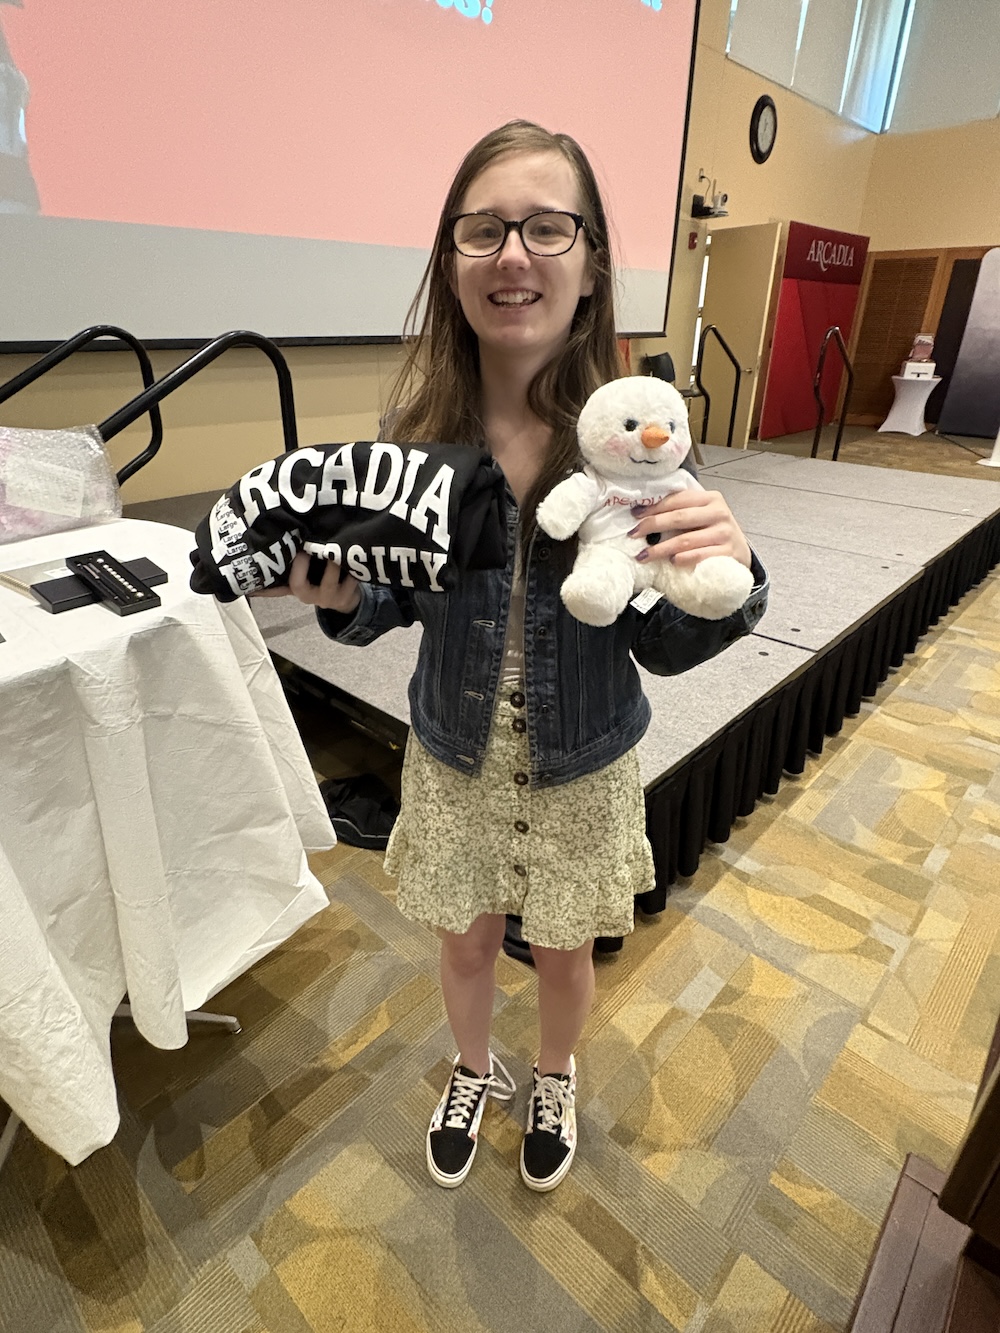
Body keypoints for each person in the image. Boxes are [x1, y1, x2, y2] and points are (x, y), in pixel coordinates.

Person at [266, 120, 768, 1192]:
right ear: (449, 267)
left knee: (563, 950)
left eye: (547, 227)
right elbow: (386, 596)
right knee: (461, 944)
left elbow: (668, 640)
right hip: (451, 755)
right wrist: (340, 594)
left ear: (588, 267)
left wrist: (728, 570)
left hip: (584, 758)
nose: (513, 255)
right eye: (483, 230)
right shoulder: (417, 438)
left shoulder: (633, 442)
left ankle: (551, 1073)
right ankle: (471, 1064)